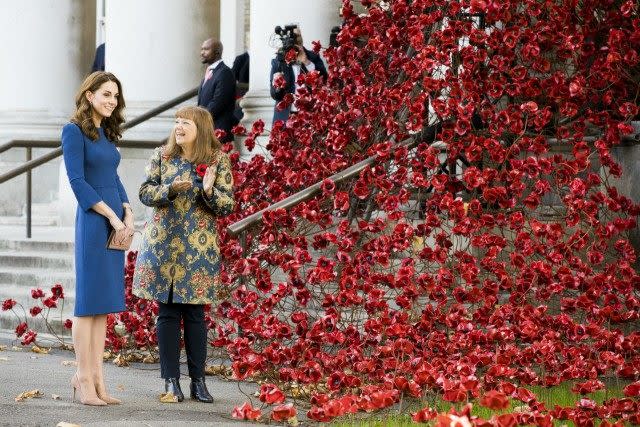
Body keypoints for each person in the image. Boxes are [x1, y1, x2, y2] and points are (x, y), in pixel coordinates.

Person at [132, 106, 235, 403]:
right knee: (166, 313)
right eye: (176, 121)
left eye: (185, 122)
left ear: (200, 127)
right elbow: (144, 193)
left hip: (198, 249)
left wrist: (208, 190)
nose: (178, 126)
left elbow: (227, 206)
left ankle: (198, 382)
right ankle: (170, 382)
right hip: (163, 244)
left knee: (194, 315)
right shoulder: (162, 155)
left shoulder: (216, 160)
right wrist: (169, 190)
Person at [61, 71, 134, 406]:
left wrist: (128, 209)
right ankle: (82, 376)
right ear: (89, 94)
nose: (111, 101)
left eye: (115, 96)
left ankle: (99, 379)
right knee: (87, 304)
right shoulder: (73, 131)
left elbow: (112, 175)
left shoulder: (106, 131)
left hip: (115, 220)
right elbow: (78, 182)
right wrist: (110, 214)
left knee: (103, 307)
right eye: (106, 94)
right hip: (93, 221)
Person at [269, 26, 328, 123]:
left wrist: (307, 62)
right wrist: (277, 85)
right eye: (292, 37)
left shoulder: (313, 57)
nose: (295, 40)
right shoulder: (279, 61)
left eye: (297, 36)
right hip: (285, 117)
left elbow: (324, 80)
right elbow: (275, 95)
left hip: (310, 116)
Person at [197, 39, 237, 143]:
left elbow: (218, 102)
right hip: (207, 131)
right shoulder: (211, 71)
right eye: (202, 49)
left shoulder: (225, 72)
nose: (202, 52)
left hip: (219, 132)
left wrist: (198, 118)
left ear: (217, 52)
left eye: (206, 49)